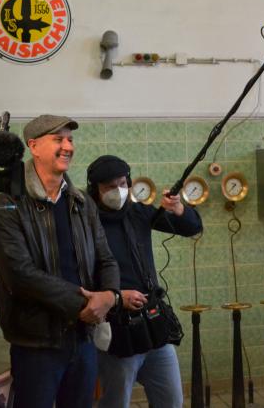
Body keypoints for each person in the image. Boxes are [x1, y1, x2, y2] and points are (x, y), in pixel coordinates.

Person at [0, 115, 120, 408]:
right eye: (58, 139)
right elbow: (19, 274)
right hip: (37, 344)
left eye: (70, 140)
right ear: (34, 146)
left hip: (83, 340)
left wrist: (110, 296)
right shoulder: (10, 203)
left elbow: (106, 258)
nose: (67, 146)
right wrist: (85, 305)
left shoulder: (82, 202)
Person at [86, 155, 203, 408]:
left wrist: (179, 208)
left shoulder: (138, 213)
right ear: (95, 189)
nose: (117, 191)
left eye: (122, 183)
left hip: (153, 324)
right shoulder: (85, 222)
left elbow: (191, 227)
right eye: (109, 187)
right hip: (115, 326)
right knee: (116, 402)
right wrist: (117, 297)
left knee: (171, 400)